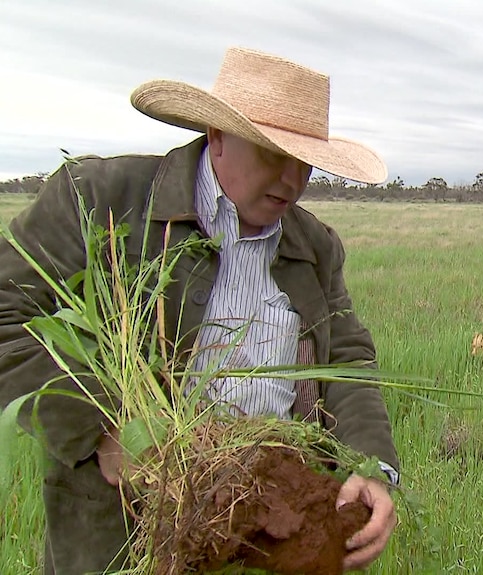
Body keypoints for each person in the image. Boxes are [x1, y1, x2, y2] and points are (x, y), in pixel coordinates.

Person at [0, 47, 399, 575]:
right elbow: (8, 317)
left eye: (304, 163)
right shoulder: (99, 201)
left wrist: (373, 466)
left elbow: (346, 359)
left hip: (275, 538)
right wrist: (106, 429)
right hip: (129, 538)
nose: (291, 181)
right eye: (272, 154)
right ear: (216, 137)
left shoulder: (314, 245)